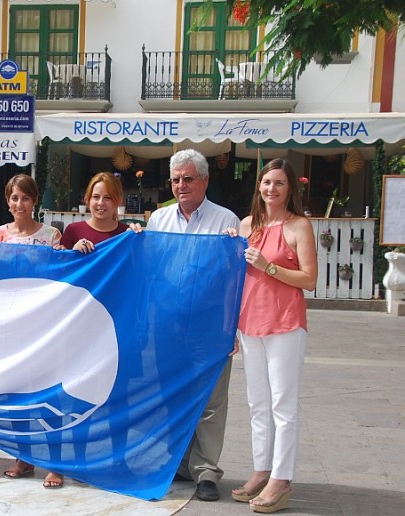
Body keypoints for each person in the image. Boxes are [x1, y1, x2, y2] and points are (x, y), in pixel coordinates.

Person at [145, 149, 240, 501]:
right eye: (175, 179)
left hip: (211, 323)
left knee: (212, 400)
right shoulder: (159, 220)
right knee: (171, 395)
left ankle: (207, 473)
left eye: (188, 178)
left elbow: (234, 278)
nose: (181, 185)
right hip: (168, 322)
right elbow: (152, 270)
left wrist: (235, 326)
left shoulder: (225, 220)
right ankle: (178, 464)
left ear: (205, 180)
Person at [232, 158, 317, 513]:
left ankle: (281, 478)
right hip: (250, 324)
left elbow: (309, 279)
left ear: (289, 189)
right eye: (266, 182)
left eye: (278, 183)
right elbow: (235, 277)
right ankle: (261, 470)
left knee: (283, 404)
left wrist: (269, 267)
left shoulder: (299, 226)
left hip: (284, 323)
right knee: (258, 404)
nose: (271, 189)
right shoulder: (247, 225)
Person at [0, 174, 64, 488]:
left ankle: (54, 463)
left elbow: (61, 273)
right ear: (8, 201)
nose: (19, 204)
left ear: (34, 201)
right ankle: (23, 457)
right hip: (9, 326)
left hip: (44, 326)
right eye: (14, 198)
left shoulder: (51, 235)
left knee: (49, 393)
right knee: (16, 393)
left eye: (25, 198)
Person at [60, 172, 129, 253]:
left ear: (118, 201)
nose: (101, 203)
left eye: (107, 198)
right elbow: (62, 263)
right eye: (96, 197)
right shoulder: (72, 231)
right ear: (87, 200)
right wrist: (74, 252)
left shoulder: (127, 233)